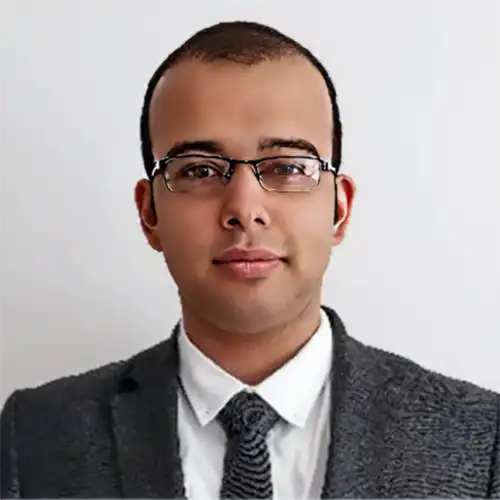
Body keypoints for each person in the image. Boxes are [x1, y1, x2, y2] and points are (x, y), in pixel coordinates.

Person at [0, 20, 499, 500]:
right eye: (198, 169)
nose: (243, 209)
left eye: (286, 166)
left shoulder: (478, 439)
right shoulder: (35, 437)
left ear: (339, 209)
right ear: (149, 212)